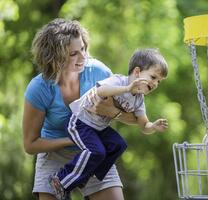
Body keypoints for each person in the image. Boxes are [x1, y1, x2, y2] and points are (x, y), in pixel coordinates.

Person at [23, 18, 137, 200]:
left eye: (83, 49)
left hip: (95, 152)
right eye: (73, 53)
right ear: (54, 56)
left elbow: (135, 119)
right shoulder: (39, 88)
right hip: (54, 154)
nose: (83, 57)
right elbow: (30, 144)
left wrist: (112, 111)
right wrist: (72, 140)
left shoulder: (99, 73)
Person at [49, 48, 169, 200]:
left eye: (159, 81)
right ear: (137, 72)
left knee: (118, 144)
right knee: (97, 151)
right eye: (153, 77)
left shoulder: (139, 100)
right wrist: (127, 89)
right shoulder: (119, 81)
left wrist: (153, 127)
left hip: (98, 128)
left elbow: (143, 125)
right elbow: (101, 91)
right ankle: (60, 180)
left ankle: (86, 178)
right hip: (80, 121)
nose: (155, 83)